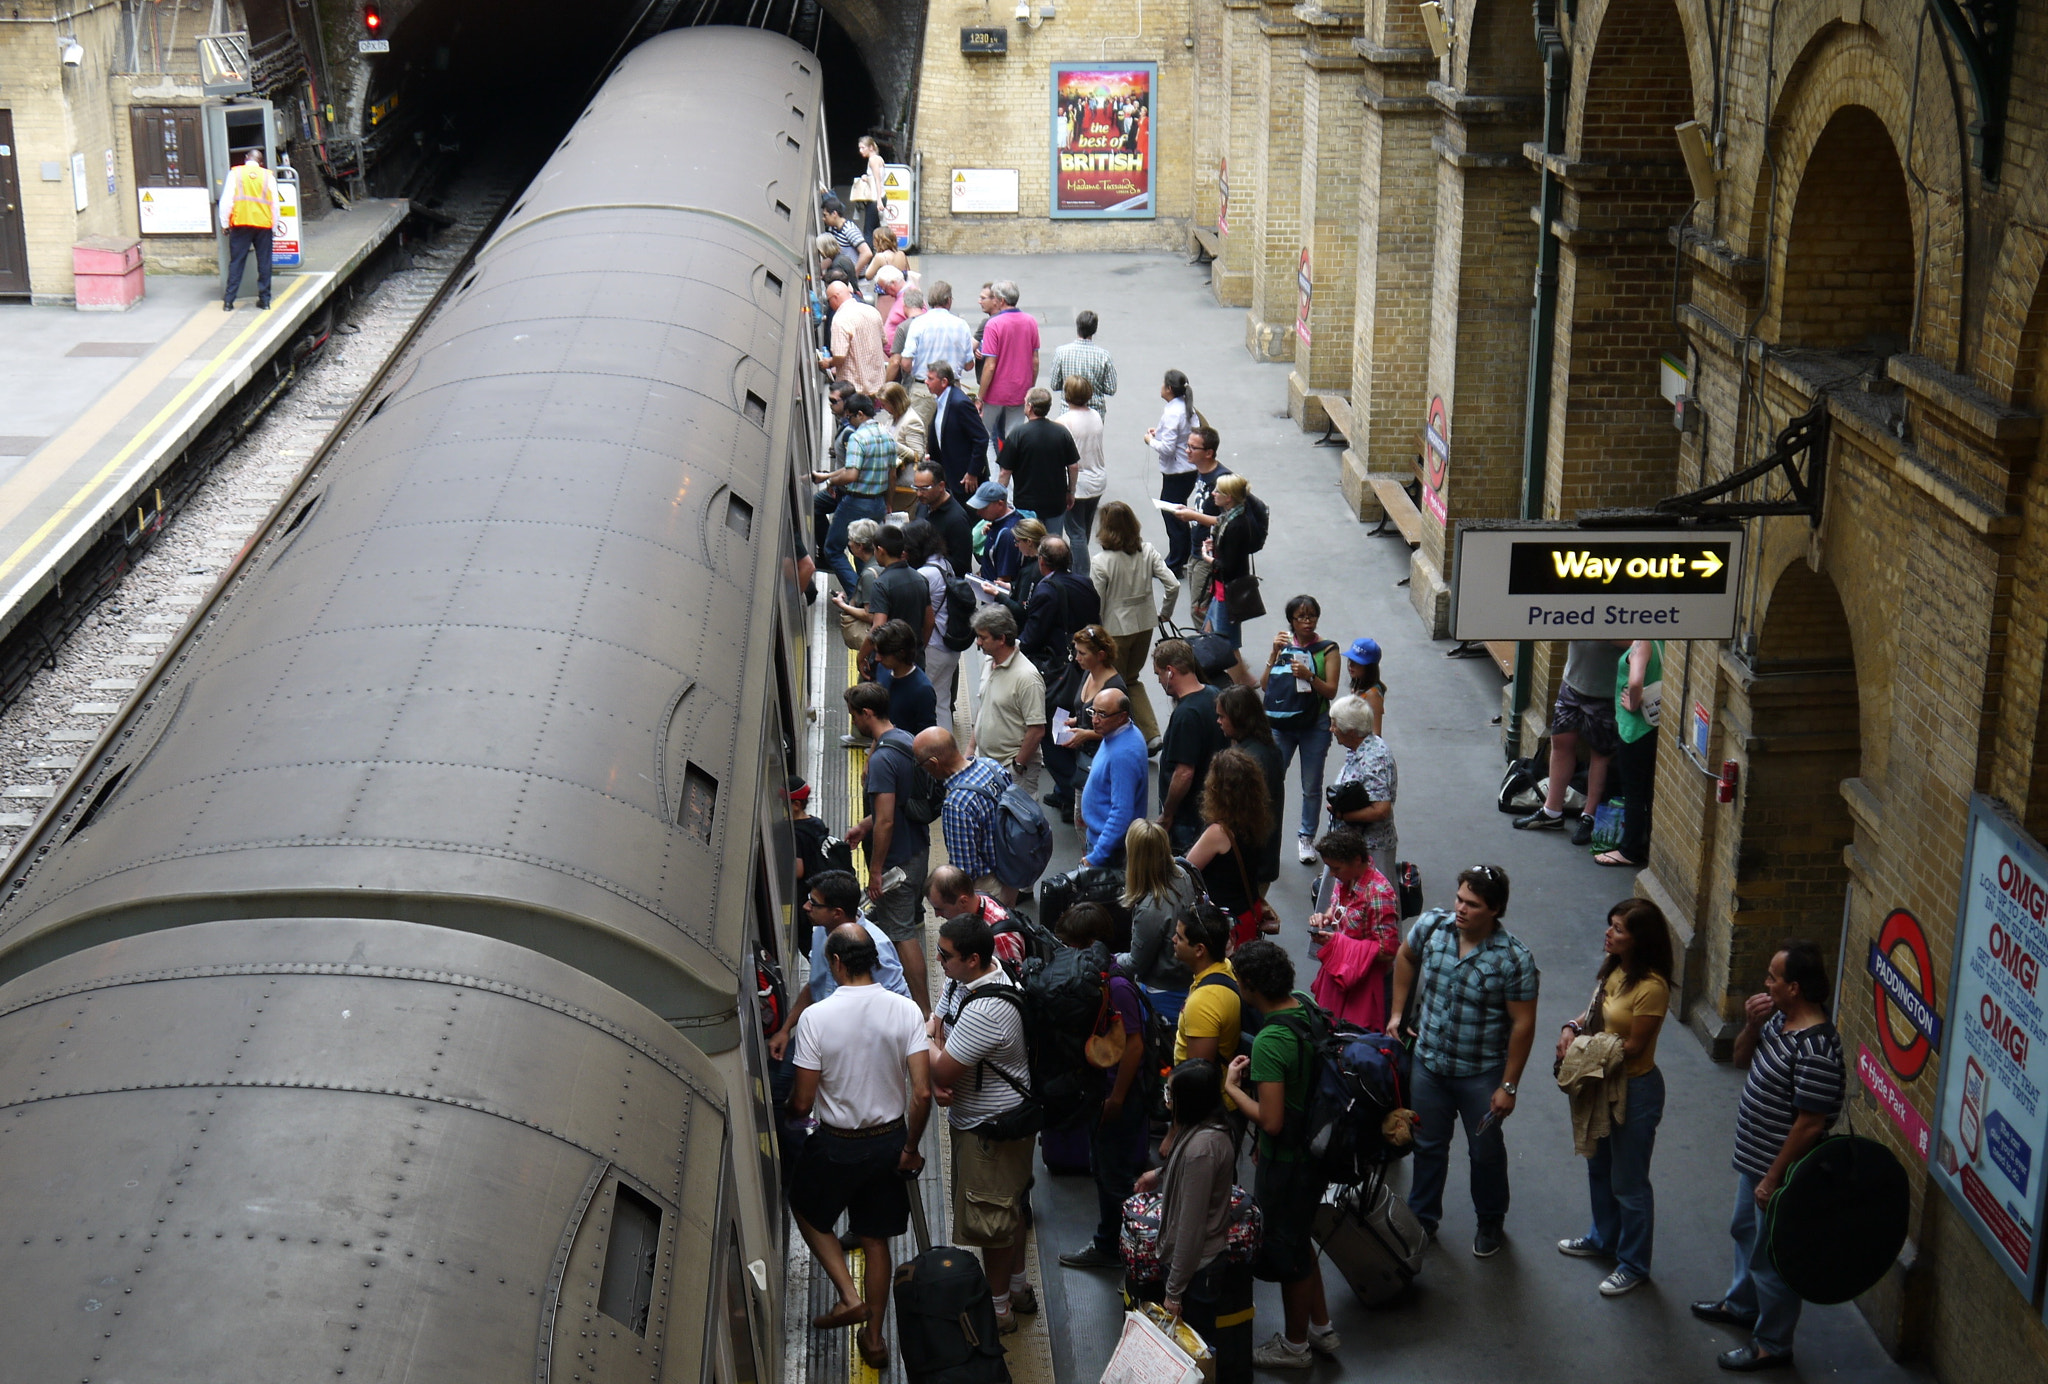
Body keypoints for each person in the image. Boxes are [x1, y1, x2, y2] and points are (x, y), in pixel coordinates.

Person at [1691, 939, 1843, 1372]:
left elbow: (1810, 1124)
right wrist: (1752, 1026)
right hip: (1755, 1160)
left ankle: (1772, 1344)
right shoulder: (1777, 1022)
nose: (1766, 983)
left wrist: (1773, 1178)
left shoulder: (1816, 1049)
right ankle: (1742, 1305)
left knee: (1772, 1257)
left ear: (1794, 987)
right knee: (1744, 1231)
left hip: (1779, 1172)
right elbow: (1740, 1060)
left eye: (1773, 978)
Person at [786, 923, 931, 1370]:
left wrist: (792, 1108)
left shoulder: (816, 1018)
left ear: (835, 962)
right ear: (874, 959)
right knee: (875, 1239)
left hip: (836, 1145)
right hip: (889, 1142)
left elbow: (805, 1100)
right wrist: (910, 1146)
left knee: (806, 1210)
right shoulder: (906, 1011)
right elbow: (922, 1093)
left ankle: (848, 1297)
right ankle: (874, 1340)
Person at [1388, 864, 1539, 1256]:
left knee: (1485, 1151)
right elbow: (1405, 957)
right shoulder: (1432, 928)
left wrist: (1509, 1086)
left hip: (1480, 1074)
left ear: (1495, 909)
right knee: (1428, 1144)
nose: (1460, 908)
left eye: (1471, 904)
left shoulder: (1514, 958)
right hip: (1429, 1065)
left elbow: (1523, 1024)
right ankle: (1423, 1218)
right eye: (1459, 898)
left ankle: (1490, 1219)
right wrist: (1398, 1014)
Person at [1221, 941, 1339, 1368]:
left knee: (1287, 1253)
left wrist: (1233, 1087)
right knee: (1301, 1238)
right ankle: (1321, 1328)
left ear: (1250, 987)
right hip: (1315, 1149)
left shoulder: (1271, 1041)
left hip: (1288, 1163)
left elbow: (1270, 1120)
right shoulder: (1304, 1005)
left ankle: (1294, 1347)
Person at [1554, 897, 1674, 1298]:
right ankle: (1603, 1238)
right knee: (1599, 1167)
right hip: (1603, 1082)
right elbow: (1596, 1016)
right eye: (1611, 925)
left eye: (1618, 928)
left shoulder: (1652, 986)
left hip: (1635, 1091)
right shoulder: (1616, 969)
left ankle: (1634, 1264)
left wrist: (1581, 1051)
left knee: (1629, 1182)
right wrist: (1573, 1026)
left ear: (1639, 939)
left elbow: (1635, 1046)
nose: (1609, 933)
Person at [928, 913, 1039, 1332]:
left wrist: (929, 1043)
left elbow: (940, 1069)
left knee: (992, 1222)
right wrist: (939, 1041)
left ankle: (999, 1312)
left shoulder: (987, 1010)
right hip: (988, 1120)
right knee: (1007, 1209)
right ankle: (1018, 1287)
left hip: (990, 1128)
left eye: (946, 955)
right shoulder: (966, 979)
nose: (939, 961)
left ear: (973, 959)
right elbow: (940, 1015)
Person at [1134, 1060, 1251, 1384]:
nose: (1166, 1096)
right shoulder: (1205, 1127)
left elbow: (1191, 1227)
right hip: (1193, 1267)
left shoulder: (1203, 1148)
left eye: (1171, 1091)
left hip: (1197, 1268)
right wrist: (1158, 1175)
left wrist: (1173, 1293)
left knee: (1193, 1351)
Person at [1053, 903, 1151, 1274]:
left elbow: (1135, 1046)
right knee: (1105, 1168)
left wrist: (1117, 1098)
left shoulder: (1117, 986)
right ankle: (1114, 1243)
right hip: (1104, 1092)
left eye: (1072, 946)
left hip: (1118, 1096)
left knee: (1114, 1175)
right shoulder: (1100, 977)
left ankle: (1122, 1251)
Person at [843, 682, 933, 1010]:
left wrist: (876, 871)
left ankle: (924, 1011)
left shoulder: (882, 759)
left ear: (867, 713)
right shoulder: (905, 739)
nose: (853, 721)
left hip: (897, 863)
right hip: (918, 849)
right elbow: (894, 807)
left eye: (854, 715)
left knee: (902, 933)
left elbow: (885, 821)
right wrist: (862, 827)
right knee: (901, 923)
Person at [768, 870, 915, 1062]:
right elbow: (815, 985)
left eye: (814, 903)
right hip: (824, 1036)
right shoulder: (821, 931)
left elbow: (897, 1011)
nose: (806, 906)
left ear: (837, 913)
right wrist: (785, 1030)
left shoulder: (876, 946)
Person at [1515, 639, 1624, 845]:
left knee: (1600, 753)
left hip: (1605, 691)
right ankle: (1552, 811)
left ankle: (1589, 816)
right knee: (1560, 741)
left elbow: (1643, 643)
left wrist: (1604, 632)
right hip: (1572, 682)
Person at [1091, 501, 1178, 744]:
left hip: (1115, 630)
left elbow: (1096, 603)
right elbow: (1173, 584)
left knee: (1113, 681)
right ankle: (1151, 734)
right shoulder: (1147, 551)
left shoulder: (1101, 562)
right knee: (1131, 678)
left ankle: (1123, 736)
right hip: (1145, 624)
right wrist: (1165, 612)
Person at [1264, 597, 1343, 864]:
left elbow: (1330, 690)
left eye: (1312, 616)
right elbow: (1266, 686)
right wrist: (1273, 655)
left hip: (1315, 724)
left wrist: (1309, 676)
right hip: (1283, 724)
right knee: (1273, 779)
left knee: (1311, 785)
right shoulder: (1284, 646)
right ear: (1291, 621)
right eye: (1301, 617)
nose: (1307, 622)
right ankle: (1267, 835)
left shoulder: (1328, 649)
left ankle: (1306, 837)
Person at [1305, 828, 1400, 1031]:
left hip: (1365, 985)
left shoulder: (1379, 894)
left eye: (1336, 868)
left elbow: (1387, 950)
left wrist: (1338, 944)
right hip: (1344, 973)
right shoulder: (1345, 878)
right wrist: (1327, 917)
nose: (1331, 874)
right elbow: (1340, 906)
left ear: (1357, 860)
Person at [915, 727, 1019, 905]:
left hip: (986, 887)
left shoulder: (957, 804)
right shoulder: (991, 766)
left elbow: (964, 871)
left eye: (921, 764)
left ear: (933, 763)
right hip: (1011, 870)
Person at [1185, 749, 1271, 941]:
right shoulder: (1254, 820)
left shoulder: (1219, 833)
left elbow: (1186, 870)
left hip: (1225, 923)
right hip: (1248, 912)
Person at [1153, 639, 1228, 852]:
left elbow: (1184, 773)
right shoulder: (1214, 693)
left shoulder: (1186, 715)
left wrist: (1168, 814)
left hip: (1188, 816)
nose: (1159, 680)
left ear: (1170, 671)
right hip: (1210, 805)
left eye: (1158, 674)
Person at [1044, 623, 1123, 823]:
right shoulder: (1088, 673)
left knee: (1094, 819)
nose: (1077, 658)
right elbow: (1089, 710)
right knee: (1083, 817)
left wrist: (1087, 734)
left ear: (1101, 655)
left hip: (1102, 762)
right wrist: (1077, 720)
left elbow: (1123, 730)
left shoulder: (1114, 687)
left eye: (1082, 653)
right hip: (1085, 759)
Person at [816, 395, 894, 598]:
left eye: (849, 417)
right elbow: (892, 474)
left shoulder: (858, 438)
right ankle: (870, 595)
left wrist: (831, 481)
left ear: (860, 414)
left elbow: (851, 474)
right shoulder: (887, 436)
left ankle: (857, 597)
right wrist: (889, 503)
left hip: (856, 502)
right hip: (878, 503)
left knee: (833, 550)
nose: (848, 422)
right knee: (865, 552)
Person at [1120, 820, 1198, 1020]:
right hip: (1187, 981)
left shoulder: (1150, 908)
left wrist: (1109, 958)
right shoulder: (1182, 875)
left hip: (1162, 993)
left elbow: (1136, 963)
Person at [968, 603, 1046, 798]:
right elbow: (984, 705)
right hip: (985, 763)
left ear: (1001, 639)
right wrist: (971, 749)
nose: (978, 642)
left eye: (983, 637)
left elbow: (1036, 729)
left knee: (1015, 825)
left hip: (1011, 771)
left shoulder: (1027, 678)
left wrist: (1017, 766)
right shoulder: (989, 662)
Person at [1599, 639, 1662, 868]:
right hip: (1653, 726)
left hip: (1634, 729)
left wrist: (1632, 703)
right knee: (1646, 790)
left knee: (1633, 791)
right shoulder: (1664, 642)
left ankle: (1630, 850)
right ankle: (1643, 841)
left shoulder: (1643, 643)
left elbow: (1635, 682)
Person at [1216, 685, 1283, 894]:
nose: (1218, 721)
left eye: (1222, 716)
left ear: (1238, 718)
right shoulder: (1268, 749)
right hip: (1262, 860)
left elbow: (1239, 817)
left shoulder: (1247, 761)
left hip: (1249, 866)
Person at [1327, 694, 1398, 886]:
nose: (1331, 729)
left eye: (1335, 724)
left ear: (1350, 730)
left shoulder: (1374, 758)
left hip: (1368, 851)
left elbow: (1381, 809)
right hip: (1354, 848)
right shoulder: (1360, 748)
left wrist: (1343, 816)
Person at [1077, 685, 1146, 868]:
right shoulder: (1118, 734)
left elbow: (1121, 813)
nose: (1095, 720)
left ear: (1122, 716)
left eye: (1103, 715)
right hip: (1103, 841)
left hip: (1109, 850)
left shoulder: (1123, 754)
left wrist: (1096, 856)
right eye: (1093, 712)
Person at [1170, 427, 1234, 625]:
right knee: (1202, 607)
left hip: (1210, 554)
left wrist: (1194, 516)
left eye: (1193, 447)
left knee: (1200, 610)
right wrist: (1192, 512)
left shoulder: (1222, 481)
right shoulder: (1202, 473)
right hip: (1197, 549)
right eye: (1187, 446)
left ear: (1209, 452)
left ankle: (1207, 650)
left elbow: (1230, 520)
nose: (1187, 450)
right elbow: (1207, 510)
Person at [904, 518, 962, 733]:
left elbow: (922, 616)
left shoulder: (924, 574)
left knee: (924, 702)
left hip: (934, 647)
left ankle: (930, 749)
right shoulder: (944, 564)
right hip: (949, 645)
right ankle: (945, 746)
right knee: (942, 701)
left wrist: (920, 646)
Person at [1018, 536, 1101, 676]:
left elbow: (1032, 636)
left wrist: (1013, 649)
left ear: (1042, 561)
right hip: (1089, 658)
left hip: (1060, 666)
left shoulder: (1046, 591)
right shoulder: (1085, 582)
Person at [1000, 387, 1081, 527]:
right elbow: (1073, 466)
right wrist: (1071, 491)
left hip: (1026, 505)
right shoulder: (1061, 433)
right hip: (1055, 503)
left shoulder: (1017, 435)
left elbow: (1005, 472)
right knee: (1052, 544)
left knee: (1027, 544)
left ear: (1030, 407)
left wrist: (999, 499)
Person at [1172, 901, 1241, 1064]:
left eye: (1180, 937)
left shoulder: (1203, 1003)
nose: (1173, 940)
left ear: (1199, 950)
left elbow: (1198, 1077)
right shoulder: (1224, 966)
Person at [977, 280, 1040, 453]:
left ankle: (991, 475)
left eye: (995, 297)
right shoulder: (1030, 322)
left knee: (985, 435)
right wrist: (1030, 387)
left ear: (1002, 301)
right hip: (1020, 388)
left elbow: (990, 365)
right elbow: (1035, 360)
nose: (994, 300)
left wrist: (980, 397)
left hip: (995, 392)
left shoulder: (994, 324)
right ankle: (1010, 476)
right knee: (1013, 438)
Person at [927, 863, 1028, 968]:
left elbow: (1012, 980)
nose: (936, 915)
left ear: (963, 901)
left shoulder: (999, 939)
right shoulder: (978, 899)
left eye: (940, 909)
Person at [1198, 475, 1257, 650]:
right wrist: (1216, 546)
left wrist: (1209, 558)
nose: (1213, 494)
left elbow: (1228, 565)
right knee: (1209, 635)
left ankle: (1243, 678)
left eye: (1218, 491)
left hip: (1227, 592)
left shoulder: (1235, 525)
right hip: (1221, 590)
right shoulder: (1231, 519)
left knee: (1225, 645)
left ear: (1229, 497)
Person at [1147, 370, 1199, 574]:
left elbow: (1168, 448)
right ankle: (1183, 553)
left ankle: (1176, 561)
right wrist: (1159, 433)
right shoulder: (1186, 409)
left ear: (1169, 388)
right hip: (1188, 468)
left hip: (1177, 470)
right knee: (1179, 510)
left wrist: (1150, 440)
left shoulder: (1172, 413)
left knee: (1172, 514)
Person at [220, 147, 281, 311]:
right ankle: (265, 300)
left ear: (246, 158)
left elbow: (226, 201)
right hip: (263, 225)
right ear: (261, 163)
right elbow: (275, 204)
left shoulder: (236, 173)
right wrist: (274, 226)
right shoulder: (268, 176)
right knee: (264, 262)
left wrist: (225, 223)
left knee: (236, 262)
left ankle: (229, 301)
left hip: (241, 223)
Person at [864, 525, 933, 665]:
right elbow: (930, 622)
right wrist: (917, 650)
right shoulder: (920, 579)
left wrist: (861, 656)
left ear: (881, 550)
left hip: (888, 663)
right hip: (914, 660)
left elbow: (878, 627)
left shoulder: (881, 584)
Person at [1057, 379, 1108, 563]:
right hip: (1098, 478)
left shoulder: (1063, 421)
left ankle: (1081, 572)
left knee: (1075, 532)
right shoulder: (1095, 415)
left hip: (1078, 483)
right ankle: (1077, 564)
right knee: (1084, 530)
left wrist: (1068, 489)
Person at [926, 361, 992, 501]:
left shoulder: (960, 403)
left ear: (944, 382)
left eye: (931, 379)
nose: (926, 382)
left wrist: (973, 472)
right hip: (950, 472)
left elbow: (981, 438)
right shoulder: (941, 400)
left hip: (965, 479)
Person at [904, 282, 978, 389]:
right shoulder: (961, 325)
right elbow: (969, 365)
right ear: (948, 300)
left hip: (923, 387)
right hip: (951, 388)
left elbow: (906, 363)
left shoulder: (918, 323)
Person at [1049, 309, 1119, 418]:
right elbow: (1111, 388)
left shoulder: (1061, 352)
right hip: (1095, 413)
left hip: (1068, 412)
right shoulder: (1104, 356)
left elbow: (1054, 384)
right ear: (1094, 330)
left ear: (1077, 327)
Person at [871, 619, 938, 735]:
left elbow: (926, 736)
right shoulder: (882, 669)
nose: (877, 658)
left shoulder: (923, 690)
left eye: (883, 654)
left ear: (901, 653)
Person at [911, 461, 975, 579]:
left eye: (925, 488)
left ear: (941, 486)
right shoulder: (923, 505)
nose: (919, 494)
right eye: (916, 488)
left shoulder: (957, 519)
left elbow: (961, 565)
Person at [827, 517, 883, 655]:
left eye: (851, 540)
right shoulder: (880, 562)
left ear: (860, 546)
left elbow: (870, 615)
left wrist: (842, 605)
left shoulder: (869, 575)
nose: (849, 544)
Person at [824, 281, 888, 396]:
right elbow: (883, 341)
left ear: (835, 297)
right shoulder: (871, 311)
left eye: (829, 301)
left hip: (853, 389)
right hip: (876, 385)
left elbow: (839, 356)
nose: (829, 304)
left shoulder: (840, 319)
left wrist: (828, 363)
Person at [969, 480, 1025, 586]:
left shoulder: (1007, 535)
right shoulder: (998, 522)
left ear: (1000, 504)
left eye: (984, 508)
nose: (978, 512)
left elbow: (1004, 579)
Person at [788, 775, 834, 887]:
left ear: (796, 805)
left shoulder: (794, 832)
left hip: (804, 890)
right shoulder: (817, 823)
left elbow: (798, 871)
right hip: (818, 882)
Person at [877, 380, 926, 472]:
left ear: (895, 403)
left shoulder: (912, 421)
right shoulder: (893, 415)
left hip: (906, 473)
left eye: (884, 404)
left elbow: (918, 455)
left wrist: (891, 443)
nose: (883, 408)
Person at [1341, 636, 1387, 733]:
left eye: (1357, 662)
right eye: (1350, 660)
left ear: (1369, 667)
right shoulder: (1358, 685)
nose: (1351, 665)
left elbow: (1376, 732)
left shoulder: (1372, 694)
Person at [821, 197, 872, 277]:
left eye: (825, 215)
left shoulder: (849, 229)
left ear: (834, 214)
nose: (823, 219)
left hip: (856, 279)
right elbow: (834, 255)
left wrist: (854, 275)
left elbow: (867, 253)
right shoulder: (834, 229)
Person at [853, 135, 890, 236]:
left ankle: (869, 251)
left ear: (871, 147)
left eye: (863, 148)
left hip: (876, 199)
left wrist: (878, 201)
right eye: (859, 148)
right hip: (880, 197)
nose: (861, 151)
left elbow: (878, 180)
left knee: (869, 230)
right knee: (877, 229)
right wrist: (866, 176)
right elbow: (876, 178)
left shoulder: (873, 160)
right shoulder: (878, 159)